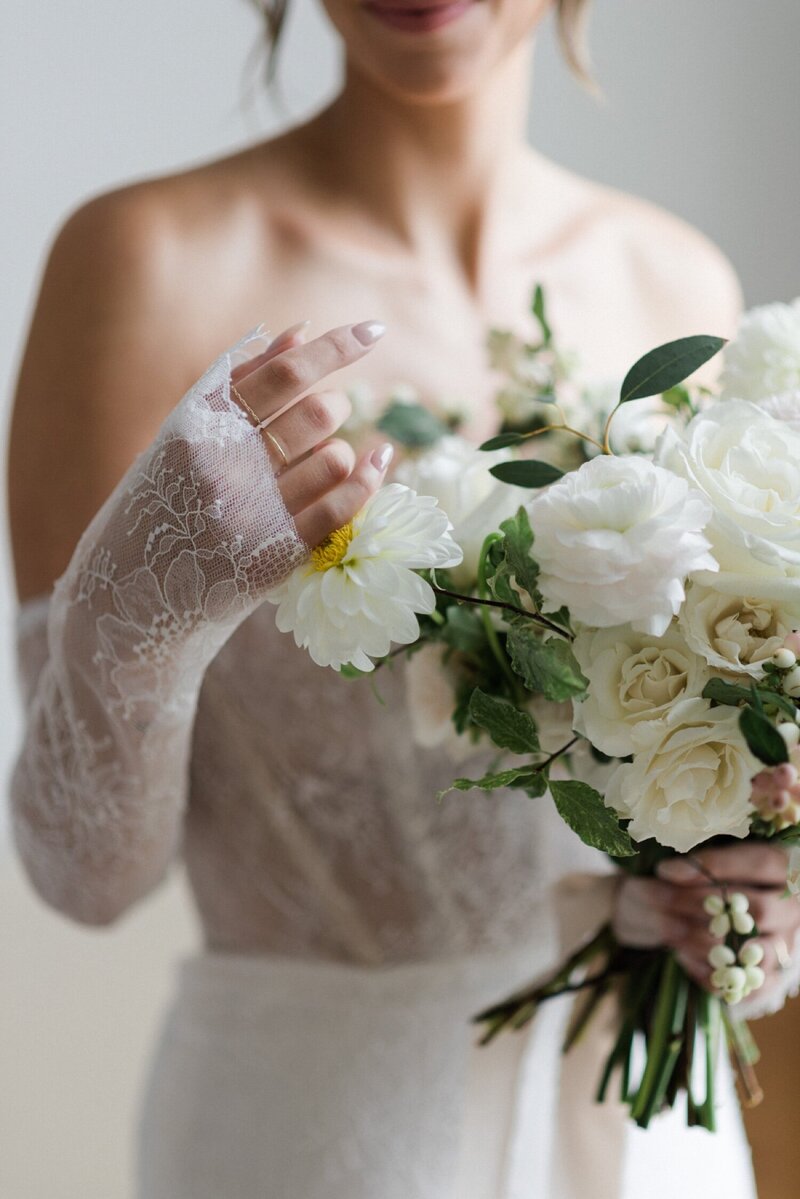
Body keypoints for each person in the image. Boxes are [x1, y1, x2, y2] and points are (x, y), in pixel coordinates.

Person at [7, 0, 800, 1195]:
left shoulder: (666, 273)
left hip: (642, 1133)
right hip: (315, 1128)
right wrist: (144, 598)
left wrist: (736, 896)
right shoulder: (144, 258)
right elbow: (86, 878)